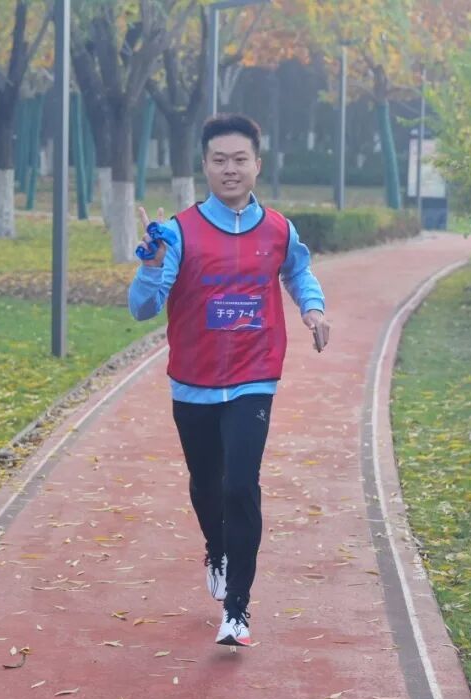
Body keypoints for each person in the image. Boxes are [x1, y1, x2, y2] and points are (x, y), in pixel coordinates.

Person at [128, 114, 331, 647]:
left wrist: (311, 308)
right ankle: (215, 549)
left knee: (240, 485)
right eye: (219, 160)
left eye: (240, 159)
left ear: (257, 165)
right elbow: (142, 308)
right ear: (205, 166)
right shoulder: (178, 232)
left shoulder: (278, 229)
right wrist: (151, 265)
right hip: (192, 379)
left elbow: (297, 270)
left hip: (253, 376)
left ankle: (237, 608)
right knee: (206, 484)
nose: (230, 169)